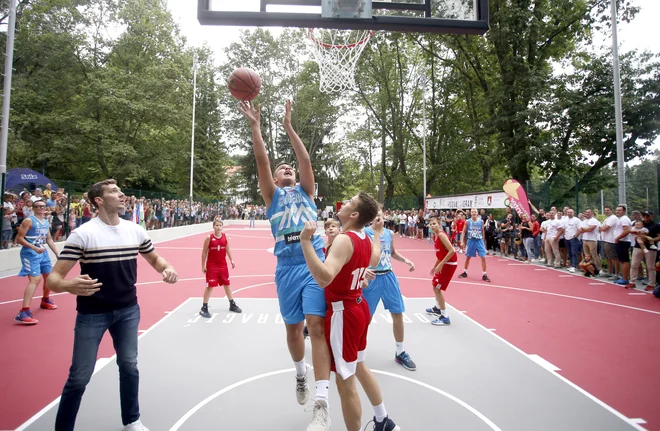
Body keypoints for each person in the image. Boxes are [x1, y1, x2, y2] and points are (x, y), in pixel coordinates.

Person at [47, 179, 178, 431]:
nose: (122, 195)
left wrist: (168, 268)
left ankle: (131, 420)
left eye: (120, 191)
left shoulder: (135, 230)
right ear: (98, 200)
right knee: (79, 377)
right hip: (92, 314)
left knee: (129, 365)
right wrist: (68, 285)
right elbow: (54, 279)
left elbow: (156, 260)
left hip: (129, 310)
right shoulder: (82, 234)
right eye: (114, 192)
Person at [239, 99, 332, 430]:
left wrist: (288, 125)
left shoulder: (307, 191)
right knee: (293, 330)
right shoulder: (272, 196)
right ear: (275, 180)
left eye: (288, 167)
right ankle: (300, 374)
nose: (287, 168)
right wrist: (255, 126)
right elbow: (262, 161)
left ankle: (322, 404)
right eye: (282, 169)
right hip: (286, 268)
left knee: (316, 326)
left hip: (313, 262)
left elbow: (305, 159)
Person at [300, 192, 401, 431]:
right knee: (360, 366)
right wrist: (376, 233)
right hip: (359, 308)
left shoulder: (344, 239)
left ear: (354, 214)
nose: (343, 203)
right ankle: (383, 419)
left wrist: (305, 242)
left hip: (343, 312)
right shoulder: (364, 237)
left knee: (346, 383)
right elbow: (374, 259)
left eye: (348, 202)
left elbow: (324, 278)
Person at [362, 208, 417, 371]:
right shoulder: (365, 233)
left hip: (388, 277)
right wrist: (363, 270)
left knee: (398, 313)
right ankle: (358, 352)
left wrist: (405, 260)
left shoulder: (389, 234)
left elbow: (392, 252)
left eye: (381, 215)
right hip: (371, 279)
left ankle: (400, 352)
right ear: (371, 218)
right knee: (366, 318)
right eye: (375, 215)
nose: (378, 218)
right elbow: (359, 254)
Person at [14, 198, 59, 324]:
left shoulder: (45, 222)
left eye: (43, 206)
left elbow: (49, 239)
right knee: (35, 279)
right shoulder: (29, 221)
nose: (41, 208)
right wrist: (34, 247)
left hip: (42, 252)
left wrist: (56, 253)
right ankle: (24, 312)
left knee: (48, 277)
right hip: (30, 253)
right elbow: (19, 238)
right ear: (33, 208)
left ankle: (45, 300)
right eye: (38, 206)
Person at [200, 219, 241, 317]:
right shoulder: (209, 238)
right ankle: (204, 307)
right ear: (213, 226)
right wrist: (203, 266)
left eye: (220, 225)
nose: (218, 227)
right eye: (217, 225)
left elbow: (228, 249)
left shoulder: (225, 237)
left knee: (227, 284)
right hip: (212, 265)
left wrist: (231, 260)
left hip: (223, 264)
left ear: (222, 227)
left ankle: (232, 304)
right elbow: (204, 252)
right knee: (210, 286)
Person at [426, 217, 458, 325]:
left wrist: (441, 264)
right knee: (435, 285)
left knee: (437, 288)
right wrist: (435, 265)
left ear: (439, 224)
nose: (432, 226)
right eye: (430, 224)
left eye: (434, 223)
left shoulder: (441, 235)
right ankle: (438, 308)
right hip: (444, 263)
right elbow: (441, 254)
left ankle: (445, 316)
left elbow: (452, 251)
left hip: (449, 264)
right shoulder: (435, 236)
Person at [458, 208, 491, 282]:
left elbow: (482, 231)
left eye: (475, 212)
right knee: (468, 257)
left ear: (477, 213)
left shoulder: (481, 221)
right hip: (471, 240)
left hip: (479, 240)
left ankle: (484, 274)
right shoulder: (468, 221)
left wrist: (483, 241)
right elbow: (463, 232)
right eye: (472, 212)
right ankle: (465, 272)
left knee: (483, 257)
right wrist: (462, 241)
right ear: (471, 213)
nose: (473, 213)